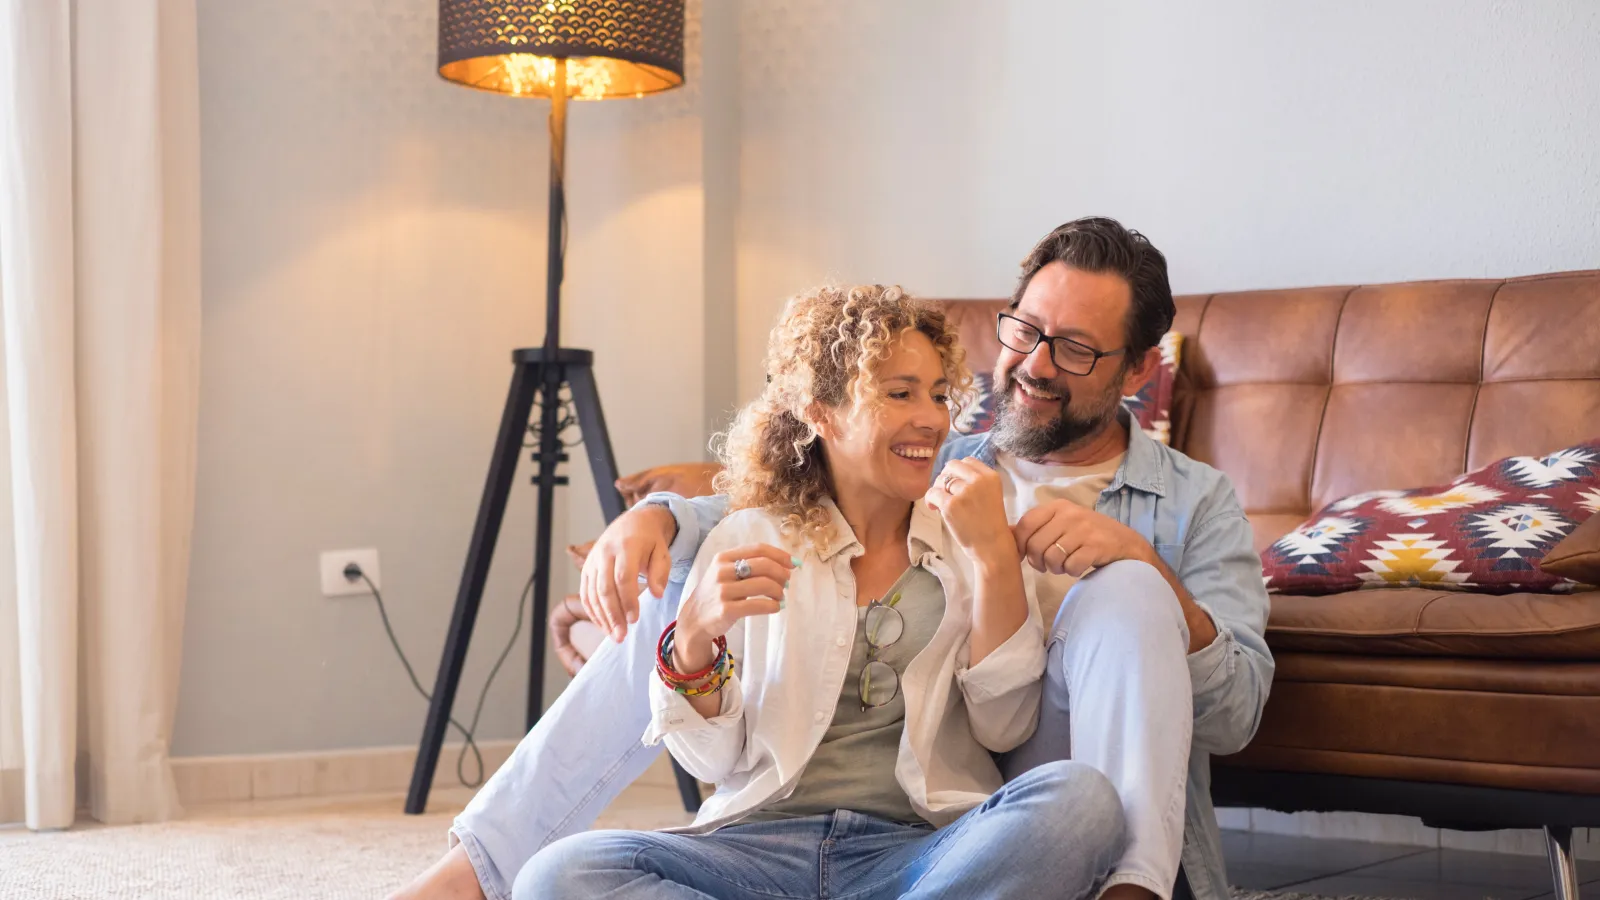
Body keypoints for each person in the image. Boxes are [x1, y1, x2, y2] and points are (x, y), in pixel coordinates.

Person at [392, 217, 1273, 900]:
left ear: (1136, 371)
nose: (1035, 365)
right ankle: (479, 868)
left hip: (1001, 793)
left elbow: (1233, 716)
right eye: (1023, 331)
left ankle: (1127, 888)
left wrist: (1147, 575)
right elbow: (775, 509)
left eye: (1075, 348)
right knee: (679, 594)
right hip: (820, 827)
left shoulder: (1194, 502)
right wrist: (657, 519)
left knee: (1124, 602)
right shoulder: (944, 448)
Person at [510, 284, 1126, 899]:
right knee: (558, 875)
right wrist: (692, 639)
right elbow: (712, 763)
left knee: (1080, 804)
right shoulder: (747, 537)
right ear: (820, 412)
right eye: (899, 392)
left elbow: (1004, 728)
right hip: (754, 849)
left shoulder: (972, 538)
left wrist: (995, 559)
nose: (933, 418)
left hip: (921, 852)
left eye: (939, 395)